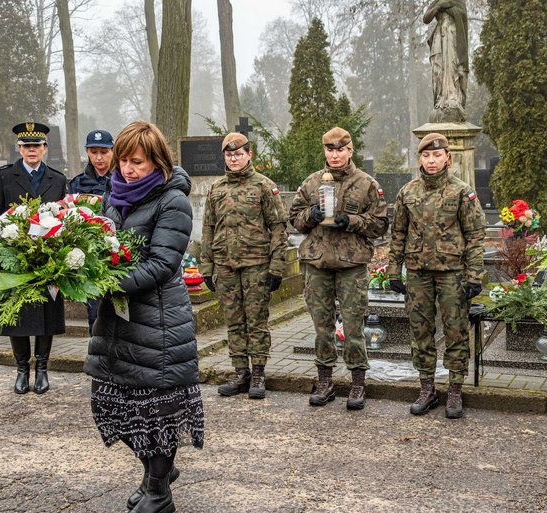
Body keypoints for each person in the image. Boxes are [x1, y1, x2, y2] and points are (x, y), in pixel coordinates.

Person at [84, 120, 203, 513]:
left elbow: (161, 264)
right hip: (117, 321)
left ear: (158, 162)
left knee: (156, 413)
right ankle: (158, 473)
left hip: (157, 322)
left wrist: (103, 281)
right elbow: (103, 245)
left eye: (137, 162)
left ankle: (158, 492)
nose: (128, 169)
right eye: (123, 161)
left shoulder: (173, 201)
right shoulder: (113, 196)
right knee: (114, 404)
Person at [288, 127, 389, 410]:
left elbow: (380, 224)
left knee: (354, 327)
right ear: (325, 152)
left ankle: (357, 384)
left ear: (350, 150)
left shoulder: (367, 184)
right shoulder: (312, 183)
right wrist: (311, 215)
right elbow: (294, 218)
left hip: (351, 265)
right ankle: (325, 381)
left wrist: (352, 221)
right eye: (330, 150)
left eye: (340, 150)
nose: (335, 155)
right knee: (322, 328)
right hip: (318, 264)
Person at [387, 133, 486, 419]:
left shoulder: (461, 192)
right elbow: (398, 234)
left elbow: (475, 234)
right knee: (420, 330)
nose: (432, 161)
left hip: (452, 273)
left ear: (447, 158)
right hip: (418, 272)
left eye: (437, 155)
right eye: (426, 156)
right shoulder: (408, 192)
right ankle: (427, 387)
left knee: (455, 330)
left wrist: (474, 275)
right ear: (420, 158)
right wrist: (394, 270)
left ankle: (455, 388)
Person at [0, 122, 67, 395]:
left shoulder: (58, 179)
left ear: (45, 149)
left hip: (47, 261)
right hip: (14, 260)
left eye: (37, 146)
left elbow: (66, 220)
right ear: (19, 148)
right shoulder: (4, 176)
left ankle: (42, 369)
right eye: (27, 146)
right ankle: (21, 370)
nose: (32, 150)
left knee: (46, 316)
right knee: (17, 317)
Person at [200, 132, 288, 399]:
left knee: (257, 322)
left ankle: (259, 373)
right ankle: (240, 372)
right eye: (229, 154)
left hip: (256, 266)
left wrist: (277, 267)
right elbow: (208, 228)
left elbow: (277, 228)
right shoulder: (217, 189)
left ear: (249, 155)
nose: (234, 158)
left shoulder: (264, 186)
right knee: (234, 322)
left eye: (238, 154)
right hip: (225, 266)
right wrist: (206, 267)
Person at [67, 129, 114, 334]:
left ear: (112, 151)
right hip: (90, 256)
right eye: (93, 152)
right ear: (87, 152)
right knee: (94, 313)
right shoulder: (77, 184)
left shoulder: (123, 179)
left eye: (103, 152)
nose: (98, 157)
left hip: (117, 253)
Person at [423, 0, 469, 123]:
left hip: (453, 36)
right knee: (438, 69)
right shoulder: (438, 2)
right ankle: (441, 98)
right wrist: (439, 6)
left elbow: (462, 16)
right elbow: (426, 18)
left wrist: (446, 6)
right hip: (439, 36)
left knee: (452, 67)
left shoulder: (458, 1)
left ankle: (452, 99)